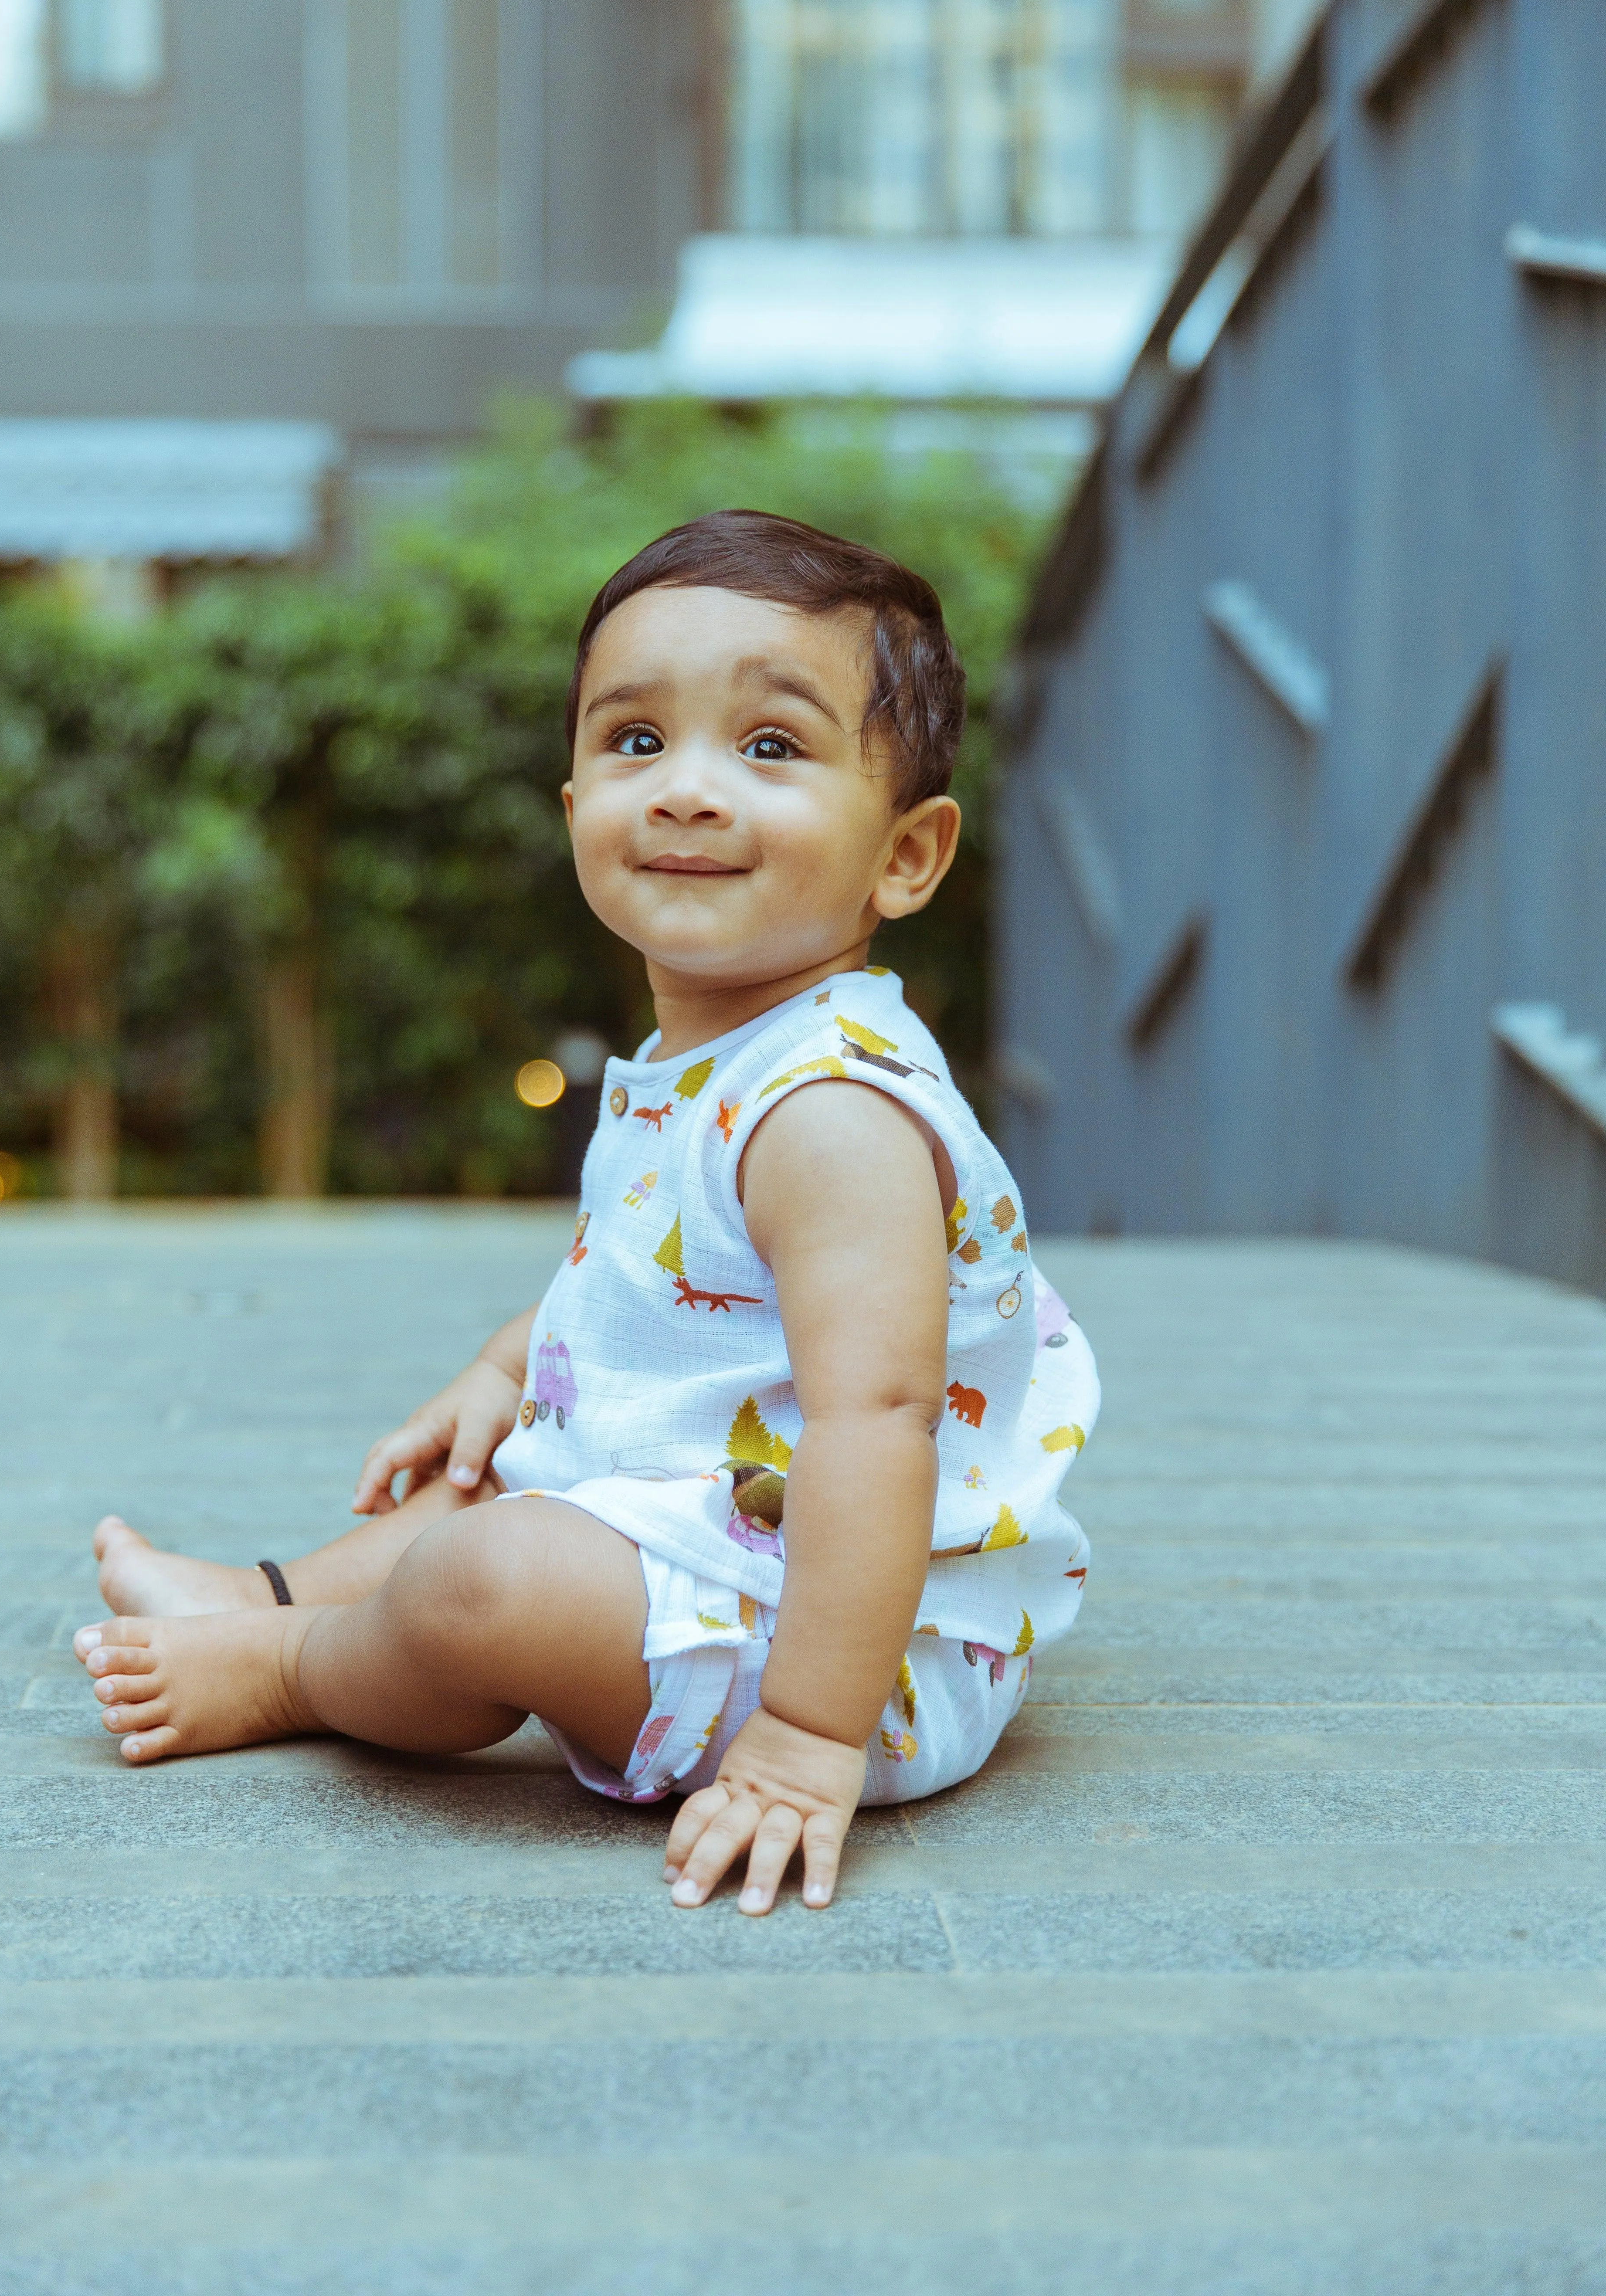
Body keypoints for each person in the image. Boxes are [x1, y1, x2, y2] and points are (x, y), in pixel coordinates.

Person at [73, 510, 1099, 1916]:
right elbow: (646, 1280)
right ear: (575, 812)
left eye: (771, 748)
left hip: (845, 1652)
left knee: (481, 1576)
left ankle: (292, 1666)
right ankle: (266, 1595)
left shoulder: (833, 1118)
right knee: (488, 1479)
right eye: (635, 743)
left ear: (906, 858)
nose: (686, 791)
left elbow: (876, 1428)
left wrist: (806, 1745)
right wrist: (504, 1372)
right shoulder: (714, 1060)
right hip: (718, 1538)